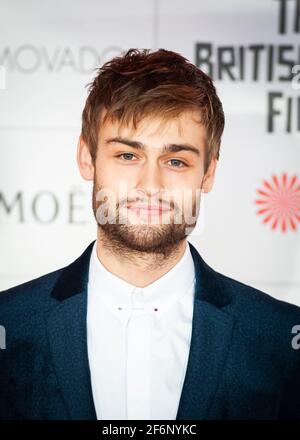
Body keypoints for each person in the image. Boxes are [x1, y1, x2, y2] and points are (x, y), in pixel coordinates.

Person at [0, 48, 299, 420]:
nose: (150, 185)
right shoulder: (8, 324)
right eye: (128, 155)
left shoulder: (282, 339)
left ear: (208, 174)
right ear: (87, 158)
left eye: (176, 161)